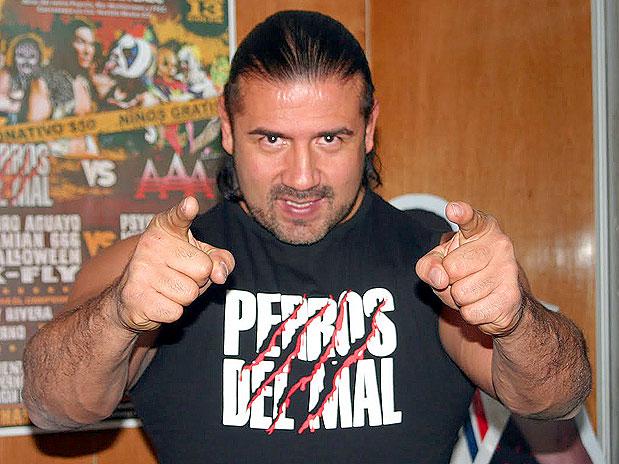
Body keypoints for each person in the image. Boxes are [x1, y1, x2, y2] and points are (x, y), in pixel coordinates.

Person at [22, 11, 591, 463]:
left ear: (369, 128)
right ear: (227, 128)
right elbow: (52, 406)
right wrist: (121, 314)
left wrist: (518, 319)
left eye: (330, 139)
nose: (301, 178)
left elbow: (556, 396)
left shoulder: (438, 262)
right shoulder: (153, 270)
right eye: (271, 140)